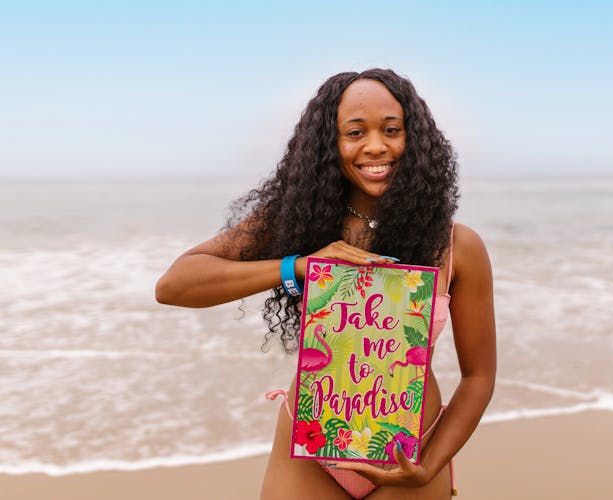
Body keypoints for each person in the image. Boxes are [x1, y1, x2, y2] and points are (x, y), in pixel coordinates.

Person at [155, 68, 496, 499]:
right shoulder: (294, 222)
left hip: (411, 453)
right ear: (328, 145)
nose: (376, 145)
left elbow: (479, 377)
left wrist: (429, 467)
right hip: (310, 452)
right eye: (355, 132)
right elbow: (174, 285)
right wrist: (297, 266)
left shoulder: (455, 244)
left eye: (392, 130)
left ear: (415, 140)